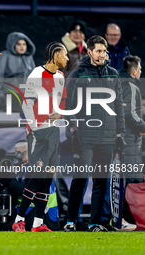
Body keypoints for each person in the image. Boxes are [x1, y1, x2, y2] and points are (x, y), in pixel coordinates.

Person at [64, 35, 125, 232]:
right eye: (98, 51)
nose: (102, 55)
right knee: (80, 179)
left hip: (107, 138)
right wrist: (73, 130)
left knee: (100, 181)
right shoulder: (76, 75)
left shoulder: (114, 74)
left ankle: (95, 223)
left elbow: (118, 107)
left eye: (104, 51)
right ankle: (71, 221)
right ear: (89, 52)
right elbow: (69, 106)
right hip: (83, 137)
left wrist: (119, 134)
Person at [12, 42, 68, 232]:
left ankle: (38, 223)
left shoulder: (60, 77)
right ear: (55, 55)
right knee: (37, 176)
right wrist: (35, 129)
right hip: (38, 132)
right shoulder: (37, 74)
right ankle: (18, 219)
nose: (67, 58)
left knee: (47, 178)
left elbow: (64, 102)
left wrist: (59, 114)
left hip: (53, 131)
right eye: (65, 55)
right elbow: (27, 103)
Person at [119, 55, 145, 230]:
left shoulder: (118, 84)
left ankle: (123, 218)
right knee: (130, 180)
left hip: (122, 138)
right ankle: (127, 219)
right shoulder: (131, 86)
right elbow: (131, 115)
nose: (141, 72)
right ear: (135, 71)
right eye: (140, 69)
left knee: (123, 179)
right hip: (129, 139)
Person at [0, 32, 36, 112]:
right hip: (8, 99)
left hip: (26, 101)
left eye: (24, 44)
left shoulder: (29, 58)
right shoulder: (4, 56)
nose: (22, 47)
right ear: (13, 44)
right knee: (10, 123)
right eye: (18, 44)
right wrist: (1, 100)